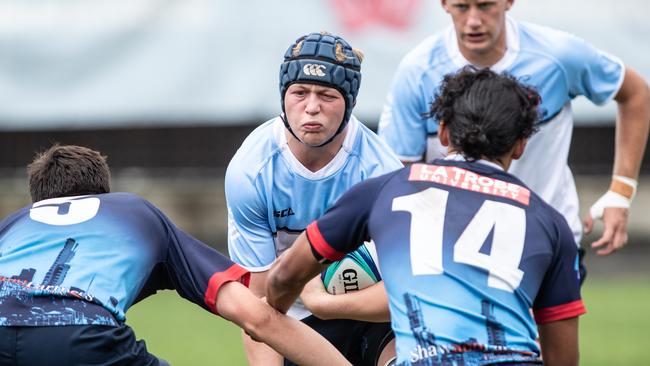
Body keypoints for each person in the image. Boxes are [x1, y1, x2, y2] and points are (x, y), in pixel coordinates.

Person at [267, 67, 586, 366]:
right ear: (520, 145)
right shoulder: (551, 223)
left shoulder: (384, 190)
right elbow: (563, 357)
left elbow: (284, 277)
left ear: (444, 132)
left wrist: (289, 310)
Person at [0, 144, 351, 366]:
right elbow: (255, 316)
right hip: (82, 336)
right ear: (103, 195)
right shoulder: (133, 213)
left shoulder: (12, 225)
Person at [377, 0, 650, 259]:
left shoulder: (557, 56)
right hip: (458, 251)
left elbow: (635, 93)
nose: (473, 20)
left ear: (508, 2)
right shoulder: (417, 72)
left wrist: (621, 192)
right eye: (462, 6)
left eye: (485, 5)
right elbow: (400, 174)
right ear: (444, 4)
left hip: (547, 241)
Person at [225, 31, 403, 366]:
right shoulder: (251, 170)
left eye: (327, 95)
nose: (311, 108)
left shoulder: (382, 171)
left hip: (374, 315)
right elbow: (258, 304)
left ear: (349, 104)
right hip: (292, 320)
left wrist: (324, 303)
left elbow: (404, 295)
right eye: (299, 93)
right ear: (283, 97)